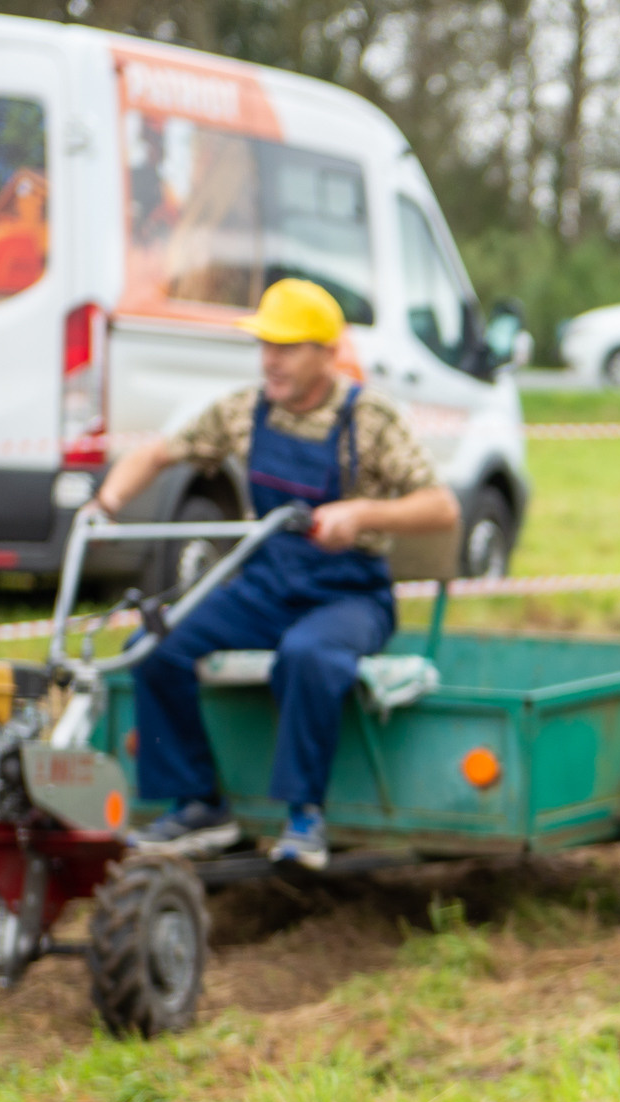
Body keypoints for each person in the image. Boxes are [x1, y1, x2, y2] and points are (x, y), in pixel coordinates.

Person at [84, 279, 459, 871]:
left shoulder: (371, 419)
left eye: (285, 347)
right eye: (265, 345)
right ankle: (199, 804)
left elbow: (442, 508)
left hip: (348, 594)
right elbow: (157, 453)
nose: (270, 360)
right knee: (153, 648)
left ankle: (305, 817)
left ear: (326, 353)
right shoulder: (244, 411)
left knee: (308, 656)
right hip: (265, 587)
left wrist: (361, 514)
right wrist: (103, 506)